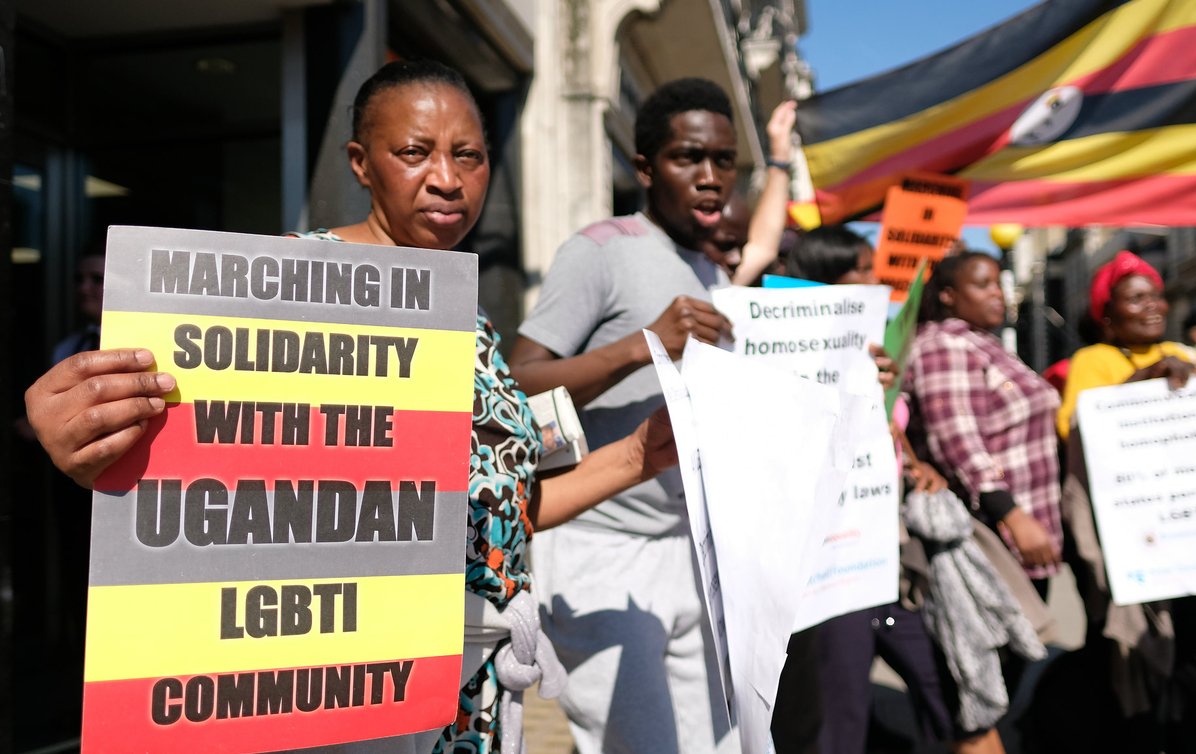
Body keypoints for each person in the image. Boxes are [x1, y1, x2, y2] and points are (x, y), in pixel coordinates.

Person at [23, 59, 680, 754]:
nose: (449, 180)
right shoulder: (289, 284)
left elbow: (497, 517)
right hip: (346, 699)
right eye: (414, 153)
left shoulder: (472, 321)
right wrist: (79, 438)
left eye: (469, 156)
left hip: (470, 698)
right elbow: (183, 468)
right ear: (361, 164)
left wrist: (641, 454)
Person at [507, 78, 738, 754]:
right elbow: (516, 385)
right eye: (687, 158)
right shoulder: (600, 250)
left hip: (691, 551)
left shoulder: (714, 272)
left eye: (723, 161)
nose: (708, 177)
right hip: (599, 549)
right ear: (644, 168)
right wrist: (640, 347)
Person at [782, 227, 1026, 754]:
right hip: (834, 572)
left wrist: (916, 466)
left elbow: (888, 437)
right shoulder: (785, 361)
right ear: (828, 280)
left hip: (891, 563)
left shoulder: (879, 349)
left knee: (959, 698)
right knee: (840, 719)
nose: (877, 281)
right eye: (864, 270)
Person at [1055, 249, 1196, 754]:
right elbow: (1077, 425)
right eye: (1137, 299)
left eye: (1157, 295)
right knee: (1145, 668)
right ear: (1107, 316)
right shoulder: (1094, 362)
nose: (1154, 306)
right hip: (1142, 548)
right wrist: (1146, 379)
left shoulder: (1186, 353)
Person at [904, 252, 1063, 597]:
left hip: (1022, 521)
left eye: (997, 283)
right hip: (997, 531)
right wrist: (1013, 516)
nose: (997, 293)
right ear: (948, 295)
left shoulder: (981, 342)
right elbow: (958, 441)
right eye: (982, 284)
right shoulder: (944, 345)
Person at [699, 100, 796, 286]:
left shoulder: (721, 286)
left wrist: (780, 157)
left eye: (742, 247)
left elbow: (763, 247)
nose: (736, 260)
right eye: (724, 246)